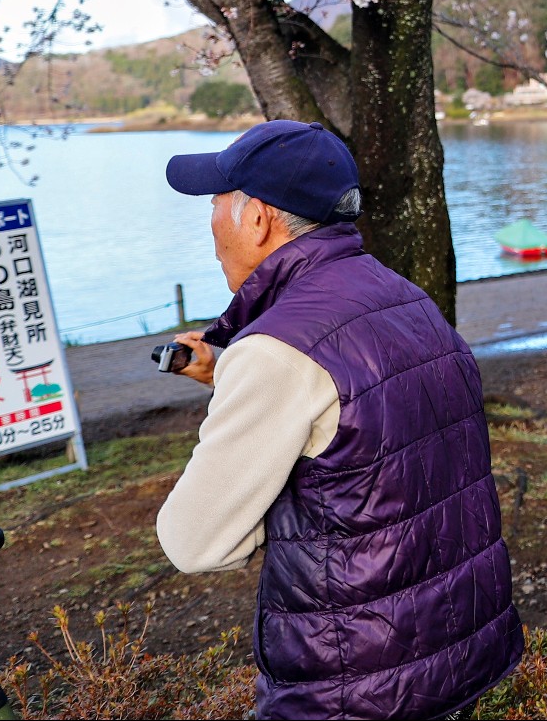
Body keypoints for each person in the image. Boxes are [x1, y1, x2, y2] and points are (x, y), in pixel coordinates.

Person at [155, 120, 523, 719]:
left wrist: (248, 384)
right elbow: (373, 431)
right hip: (460, 652)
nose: (212, 225)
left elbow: (195, 542)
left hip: (354, 687)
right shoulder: (404, 298)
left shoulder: (276, 352)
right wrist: (231, 380)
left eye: (217, 204)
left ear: (257, 219)